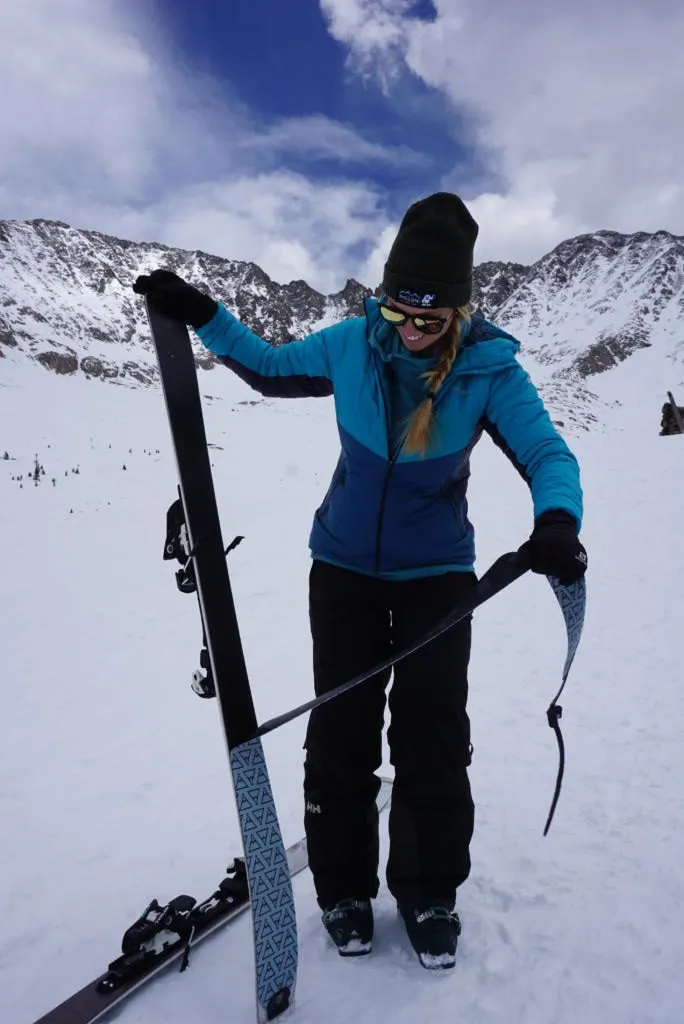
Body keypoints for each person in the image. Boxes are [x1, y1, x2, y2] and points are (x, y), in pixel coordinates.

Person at [133, 191, 587, 970]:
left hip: (437, 581)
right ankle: (343, 888)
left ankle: (428, 892)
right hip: (340, 570)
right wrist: (203, 313)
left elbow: (549, 455)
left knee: (432, 737)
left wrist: (558, 521)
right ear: (384, 298)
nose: (411, 328)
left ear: (456, 309)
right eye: (399, 309)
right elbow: (271, 368)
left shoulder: (489, 373)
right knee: (339, 736)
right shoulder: (352, 345)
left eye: (430, 316)